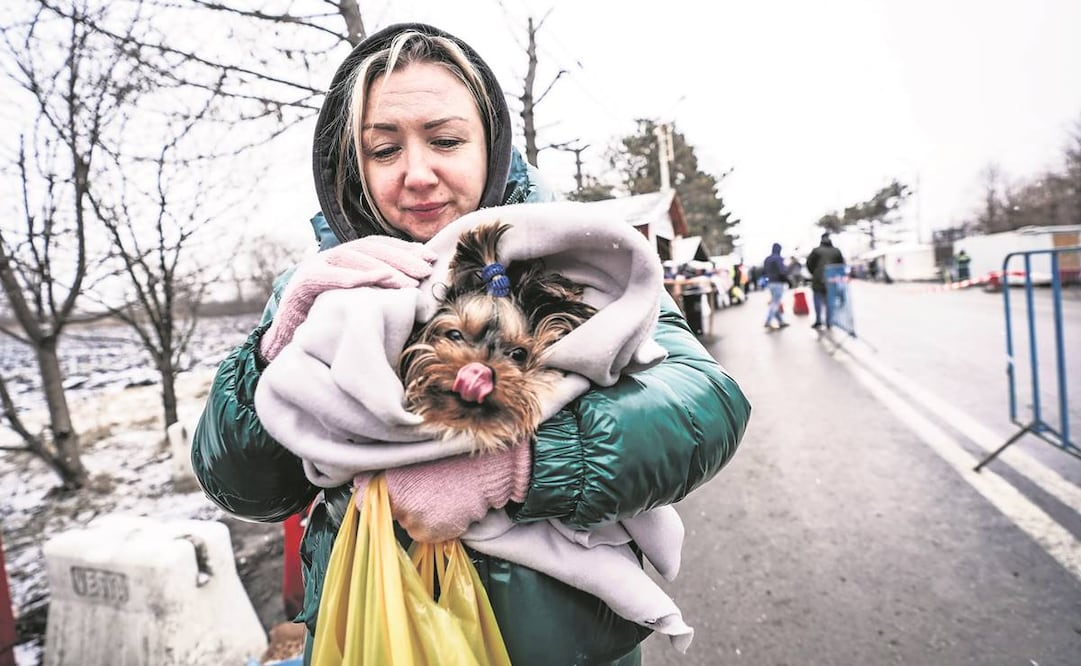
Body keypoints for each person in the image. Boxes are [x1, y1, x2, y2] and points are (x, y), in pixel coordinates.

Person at [190, 23, 751, 666]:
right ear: (354, 163)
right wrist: (278, 340)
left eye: (446, 140)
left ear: (492, 143)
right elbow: (244, 485)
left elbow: (705, 406)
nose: (417, 174)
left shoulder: (576, 251)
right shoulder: (326, 283)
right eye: (383, 150)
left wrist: (516, 467)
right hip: (370, 628)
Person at [805, 232, 845, 329]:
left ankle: (818, 321)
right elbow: (841, 265)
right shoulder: (836, 251)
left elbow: (809, 264)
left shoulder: (816, 251)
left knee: (817, 300)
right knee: (829, 301)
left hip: (818, 279)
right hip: (831, 279)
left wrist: (814, 273)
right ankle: (829, 322)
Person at [762, 242, 790, 330]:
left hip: (770, 283)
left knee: (775, 302)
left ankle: (781, 321)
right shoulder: (778, 258)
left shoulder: (767, 259)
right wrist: (788, 280)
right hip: (778, 283)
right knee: (775, 303)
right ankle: (768, 321)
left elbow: (764, 271)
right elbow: (782, 271)